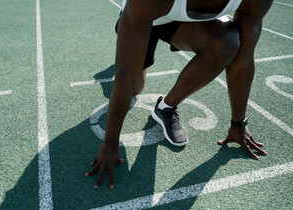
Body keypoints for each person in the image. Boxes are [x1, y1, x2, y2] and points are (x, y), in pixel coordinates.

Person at [85, 0, 273, 189]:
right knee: (134, 85)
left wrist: (238, 124)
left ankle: (165, 108)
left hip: (181, 17)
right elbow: (126, 77)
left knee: (227, 43)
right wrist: (110, 144)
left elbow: (243, 61)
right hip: (144, 14)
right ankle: (127, 56)